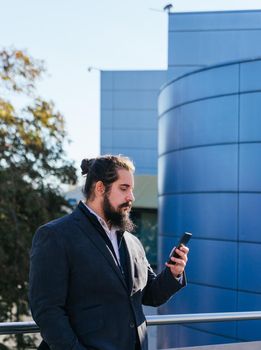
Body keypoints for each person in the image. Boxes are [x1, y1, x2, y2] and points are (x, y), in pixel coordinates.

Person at [29, 155, 189, 350]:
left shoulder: (132, 242)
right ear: (100, 188)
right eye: (124, 188)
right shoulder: (55, 235)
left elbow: (150, 296)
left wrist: (174, 273)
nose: (131, 197)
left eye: (131, 189)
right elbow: (47, 311)